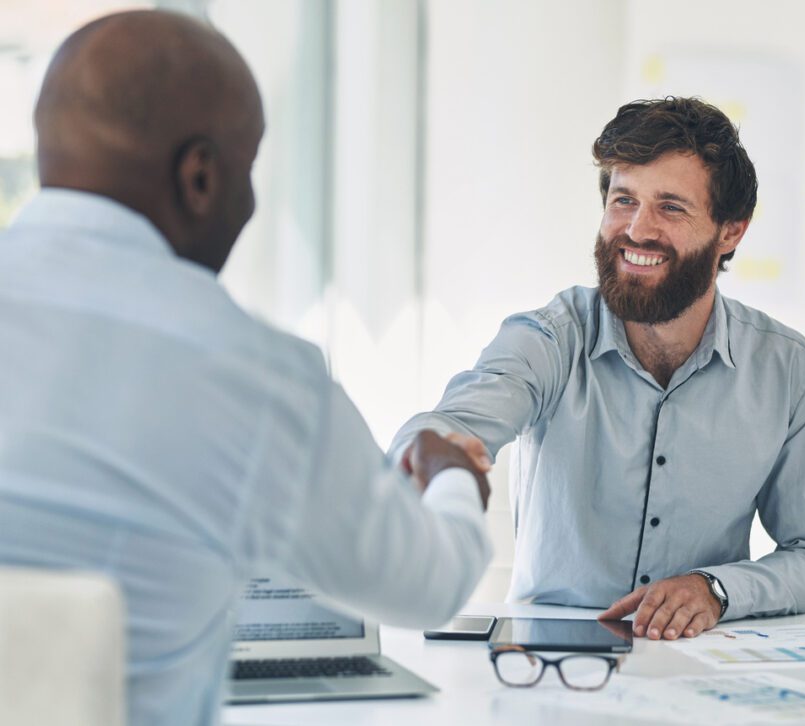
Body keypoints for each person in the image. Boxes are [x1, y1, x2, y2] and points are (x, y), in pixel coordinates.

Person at [0, 10, 490, 726]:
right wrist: (448, 472)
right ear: (199, 175)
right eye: (248, 171)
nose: (252, 201)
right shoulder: (259, 379)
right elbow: (429, 585)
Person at [390, 97, 805, 642]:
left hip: (703, 668)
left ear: (730, 232)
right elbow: (454, 424)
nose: (637, 229)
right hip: (547, 667)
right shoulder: (549, 338)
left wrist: (717, 589)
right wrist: (431, 451)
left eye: (671, 207)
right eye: (623, 200)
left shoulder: (788, 371)